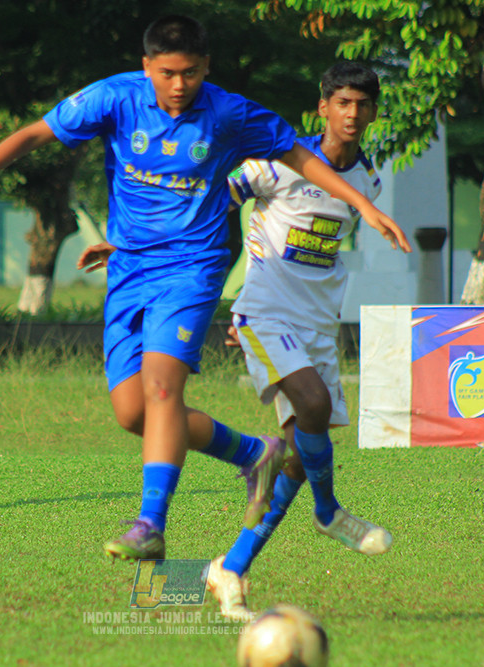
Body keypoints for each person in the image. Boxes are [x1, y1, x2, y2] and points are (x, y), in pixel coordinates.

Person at [0, 16, 410, 561]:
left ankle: (150, 523)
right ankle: (255, 454)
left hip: (193, 268)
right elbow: (38, 132)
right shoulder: (115, 98)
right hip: (130, 270)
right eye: (169, 73)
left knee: (161, 391)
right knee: (134, 413)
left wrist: (363, 203)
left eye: (192, 73)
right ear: (147, 66)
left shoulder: (228, 113)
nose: (180, 86)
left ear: (207, 68)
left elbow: (297, 157)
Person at [202, 62, 411, 620]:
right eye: (341, 102)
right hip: (267, 315)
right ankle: (330, 512)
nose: (352, 113)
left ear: (372, 112)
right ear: (322, 107)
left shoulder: (367, 180)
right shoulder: (278, 158)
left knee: (296, 458)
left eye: (363, 104)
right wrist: (215, 280)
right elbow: (220, 197)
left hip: (318, 329)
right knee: (315, 406)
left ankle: (232, 569)